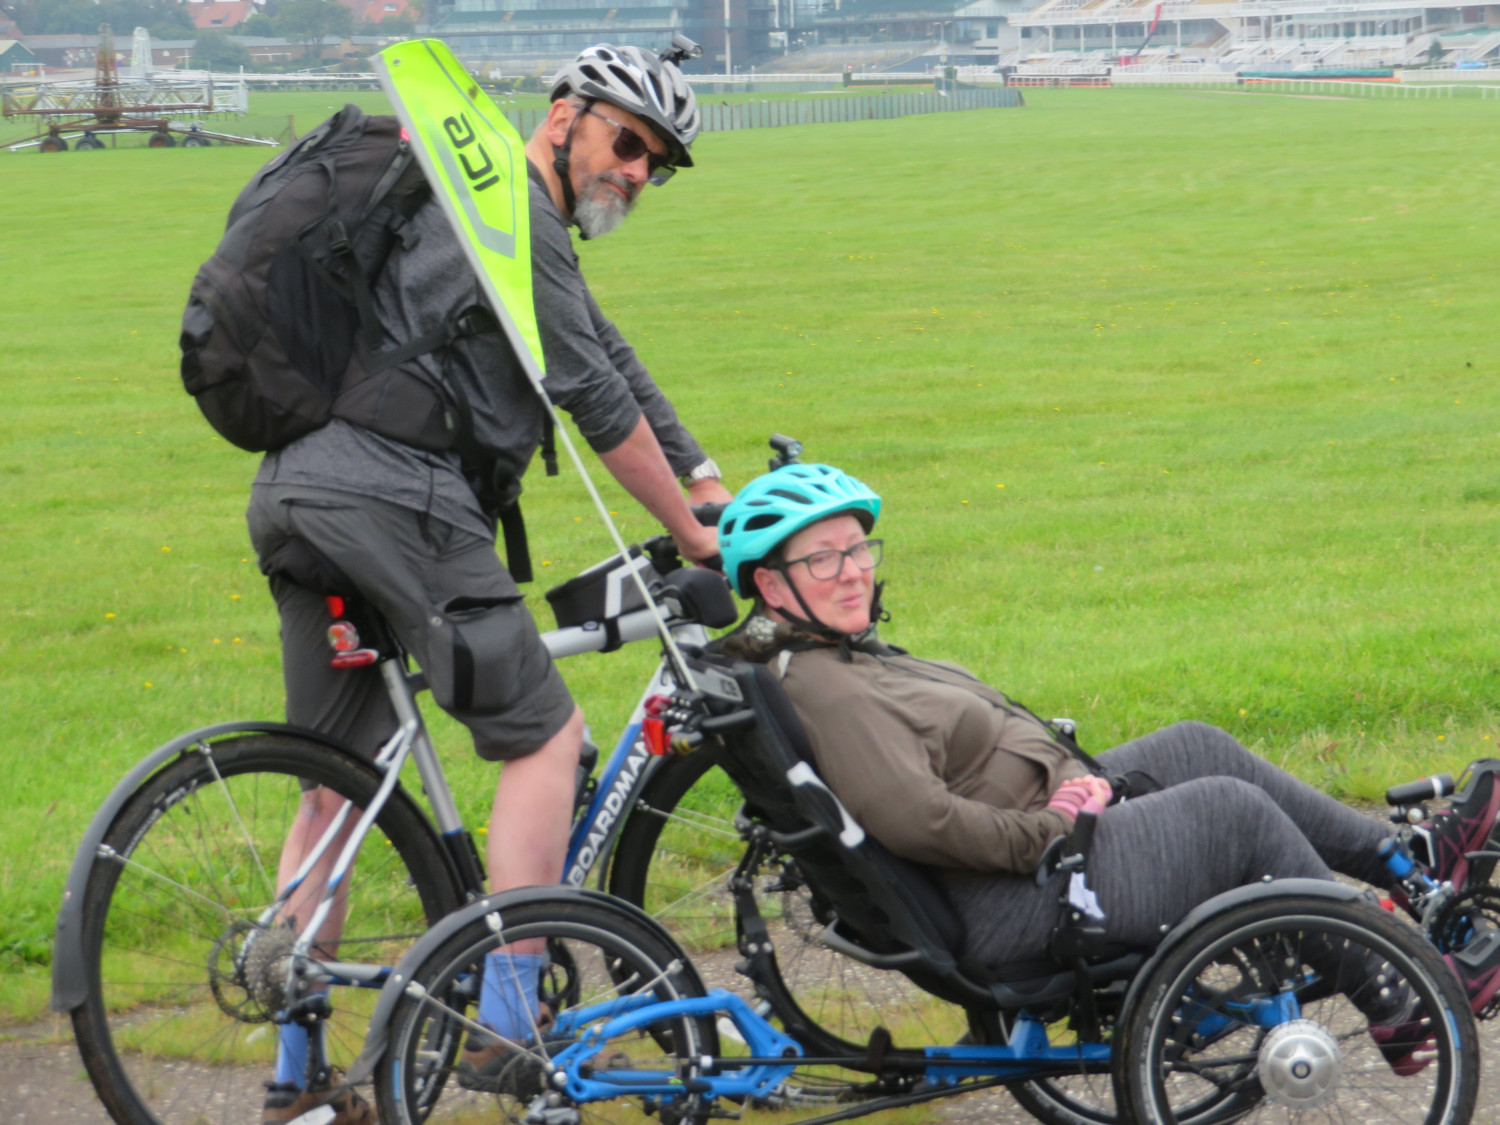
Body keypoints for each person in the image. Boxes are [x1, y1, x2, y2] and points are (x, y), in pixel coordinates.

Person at [245, 42, 731, 1125]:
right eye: (626, 140)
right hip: (395, 499)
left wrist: (699, 469)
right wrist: (690, 535)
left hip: (297, 494)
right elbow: (593, 401)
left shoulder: (503, 219)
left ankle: (296, 1076)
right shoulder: (509, 208)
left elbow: (606, 348)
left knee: (338, 778)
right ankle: (509, 1032)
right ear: (564, 116)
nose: (638, 170)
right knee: (543, 740)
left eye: (658, 161)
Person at [715, 462, 1500, 1077]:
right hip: (1022, 892)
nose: (853, 569)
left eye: (857, 547)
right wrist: (1053, 824)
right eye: (824, 558)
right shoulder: (833, 689)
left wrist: (1061, 799)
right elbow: (919, 819)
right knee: (1229, 810)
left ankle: (1414, 863)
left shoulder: (837, 654)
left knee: (1197, 745)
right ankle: (1401, 994)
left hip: (1040, 845)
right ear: (773, 585)